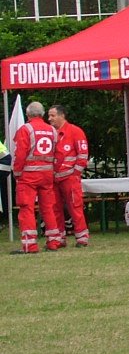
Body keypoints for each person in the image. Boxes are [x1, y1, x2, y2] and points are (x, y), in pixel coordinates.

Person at [11, 100, 63, 254]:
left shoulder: (25, 130)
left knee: (26, 208)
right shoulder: (52, 130)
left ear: (28, 114)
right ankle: (54, 241)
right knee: (48, 208)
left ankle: (30, 245)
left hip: (28, 175)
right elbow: (59, 154)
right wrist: (53, 171)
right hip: (47, 175)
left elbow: (20, 154)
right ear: (42, 114)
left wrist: (17, 172)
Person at [47, 104, 91, 248]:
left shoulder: (75, 131)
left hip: (70, 178)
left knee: (75, 207)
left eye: (53, 115)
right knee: (55, 209)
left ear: (62, 115)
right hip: (54, 178)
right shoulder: (49, 133)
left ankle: (82, 237)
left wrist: (75, 174)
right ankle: (59, 238)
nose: (49, 119)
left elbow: (83, 154)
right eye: (49, 115)